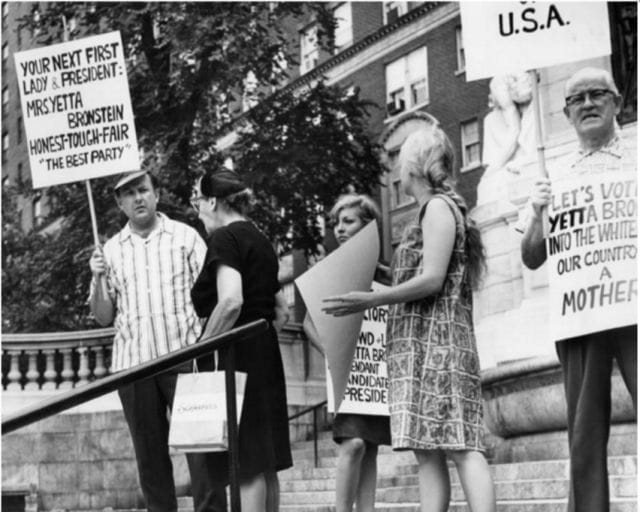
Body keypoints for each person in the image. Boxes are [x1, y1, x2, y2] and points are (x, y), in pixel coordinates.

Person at [323, 125, 496, 512]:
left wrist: (378, 296)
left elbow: (432, 278)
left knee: (463, 445)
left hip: (442, 345)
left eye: (400, 162)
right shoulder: (431, 209)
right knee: (427, 450)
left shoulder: (436, 207)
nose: (395, 172)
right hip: (422, 348)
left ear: (415, 165)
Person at [519, 67, 637, 512]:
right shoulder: (554, 175)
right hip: (581, 313)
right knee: (584, 432)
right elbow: (532, 257)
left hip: (634, 306)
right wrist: (535, 214)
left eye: (597, 95)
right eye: (576, 99)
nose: (587, 104)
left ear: (617, 102)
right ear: (567, 114)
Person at [88, 170, 227, 512]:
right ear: (120, 204)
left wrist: (205, 345)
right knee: (150, 462)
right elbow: (104, 316)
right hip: (134, 367)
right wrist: (97, 276)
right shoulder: (109, 251)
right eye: (129, 194)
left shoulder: (186, 237)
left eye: (143, 190)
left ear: (156, 194)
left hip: (186, 358)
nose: (138, 198)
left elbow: (213, 295)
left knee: (204, 457)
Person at [189, 166, 292, 512]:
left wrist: (201, 349)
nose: (197, 210)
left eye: (198, 201)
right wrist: (259, 340)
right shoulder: (262, 239)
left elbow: (230, 300)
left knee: (247, 464)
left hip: (239, 358)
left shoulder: (224, 238)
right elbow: (282, 311)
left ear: (214, 201)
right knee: (266, 464)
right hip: (266, 353)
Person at [303, 193, 391, 512]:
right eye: (337, 223)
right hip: (348, 376)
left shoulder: (386, 276)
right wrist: (332, 352)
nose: (339, 229)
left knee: (370, 447)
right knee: (352, 443)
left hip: (375, 375)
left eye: (348, 221)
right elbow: (308, 323)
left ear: (367, 226)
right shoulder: (333, 270)